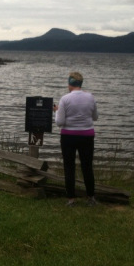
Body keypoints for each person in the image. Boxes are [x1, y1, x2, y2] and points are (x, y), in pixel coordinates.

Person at [53, 72, 98, 206]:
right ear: (80, 84)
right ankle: (91, 197)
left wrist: (56, 111)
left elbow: (59, 122)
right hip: (87, 136)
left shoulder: (65, 99)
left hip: (68, 136)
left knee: (69, 167)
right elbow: (95, 117)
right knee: (87, 166)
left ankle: (71, 199)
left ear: (70, 84)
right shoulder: (90, 97)